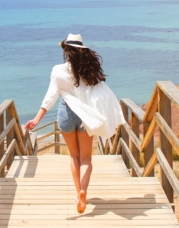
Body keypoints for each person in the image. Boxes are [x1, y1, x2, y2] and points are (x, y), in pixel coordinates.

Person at [25, 34, 126, 214]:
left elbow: (51, 95)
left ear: (66, 50)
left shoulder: (57, 70)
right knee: (86, 157)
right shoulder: (89, 71)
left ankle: (77, 191)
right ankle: (83, 191)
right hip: (86, 116)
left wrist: (37, 118)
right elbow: (98, 95)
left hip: (66, 115)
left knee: (74, 156)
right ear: (81, 50)